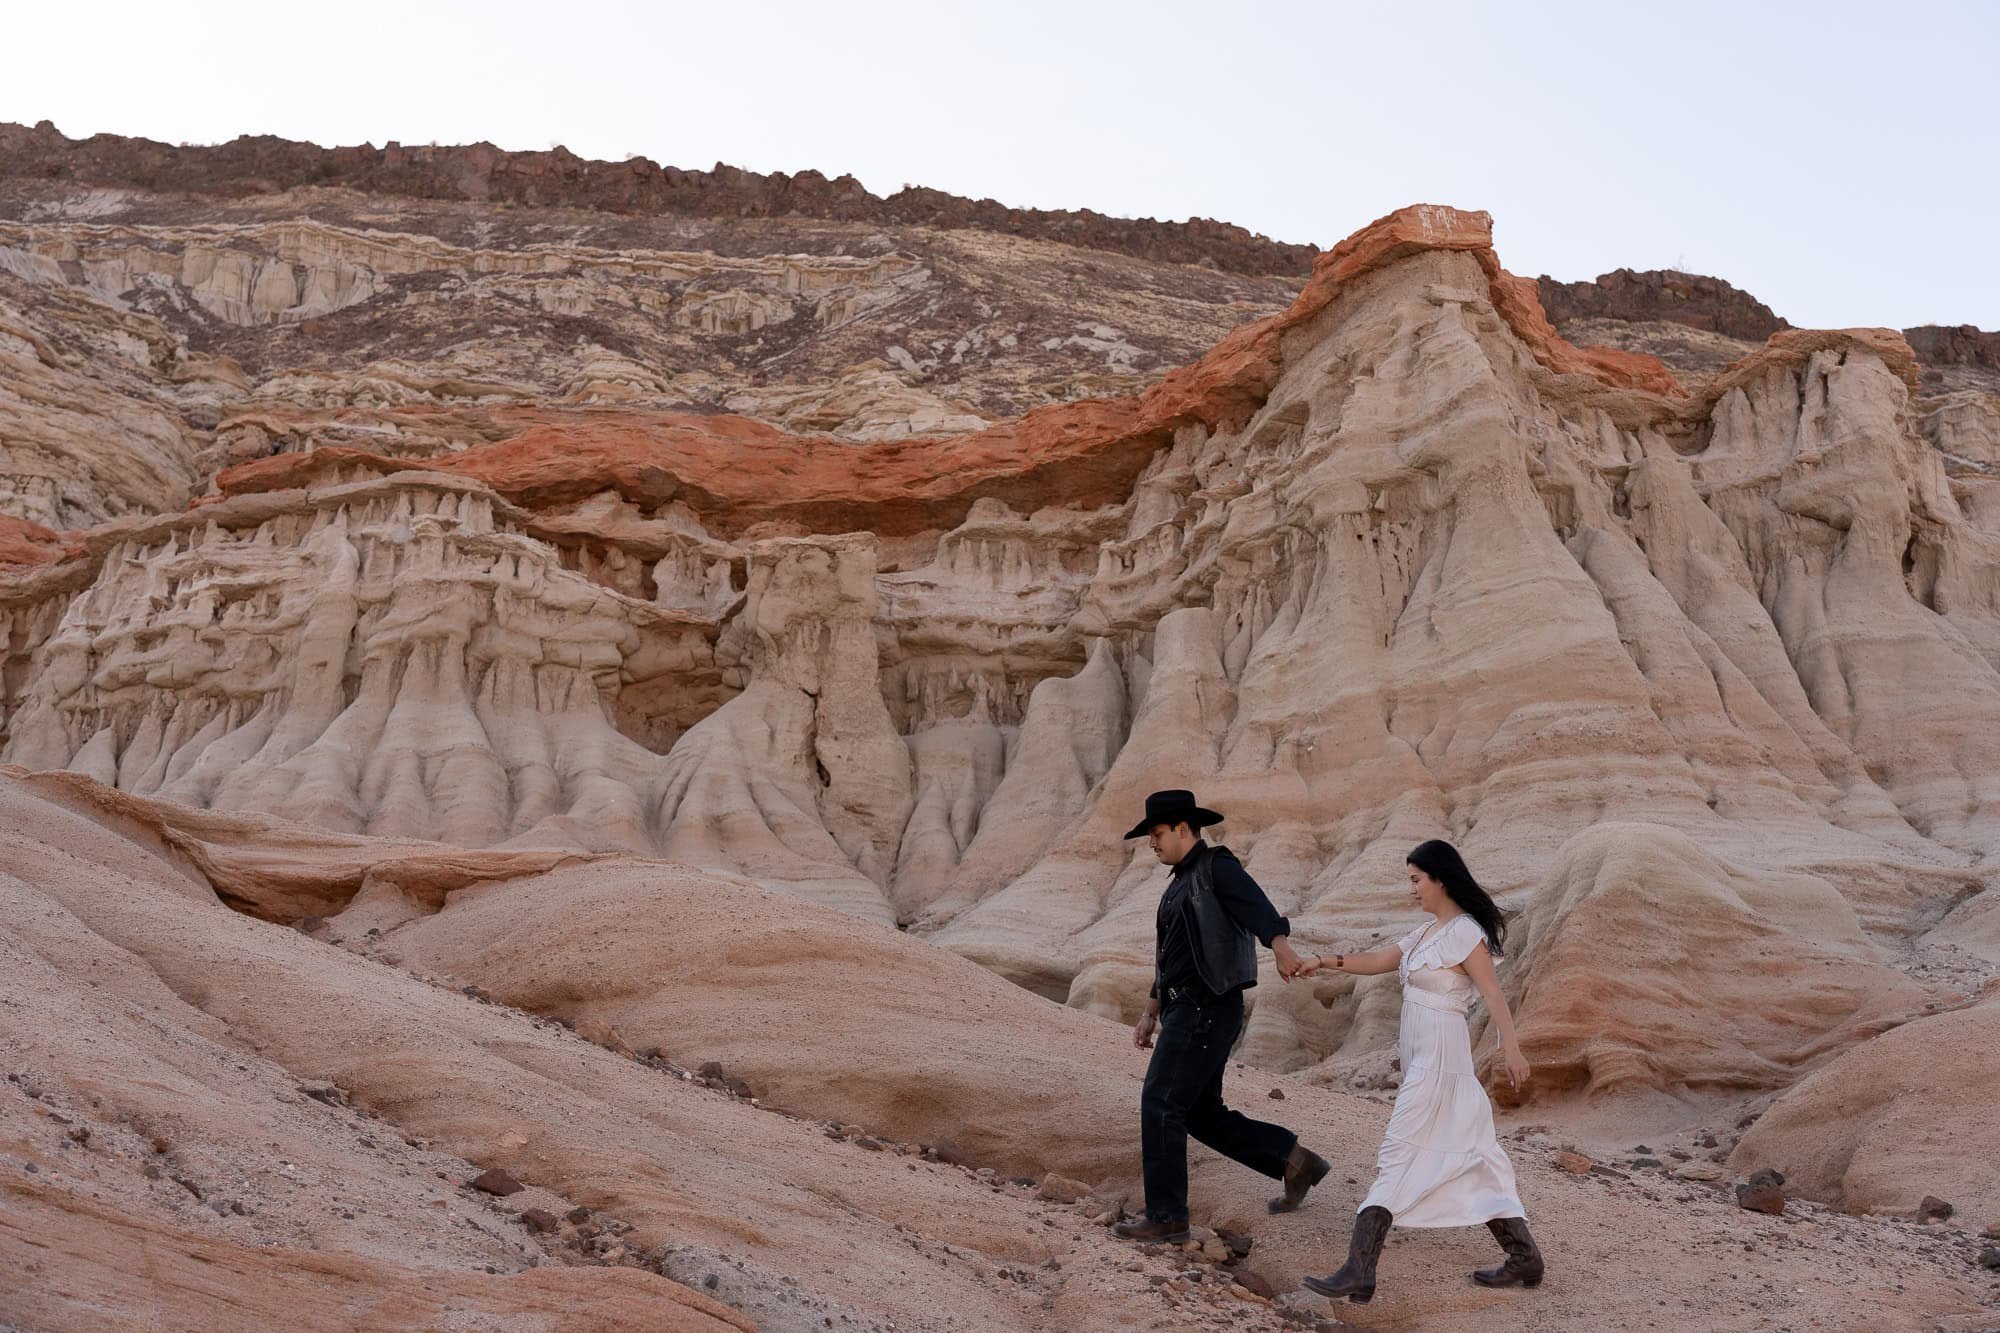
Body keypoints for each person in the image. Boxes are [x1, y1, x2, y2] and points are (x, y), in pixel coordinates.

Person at [1295, 839, 1543, 1304]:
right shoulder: (1425, 934)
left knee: (1398, 1151)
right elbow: (1376, 961)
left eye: (1416, 879)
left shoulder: (1465, 933)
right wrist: (1323, 961)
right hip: (1421, 1061)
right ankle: (1524, 1257)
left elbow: (1493, 995)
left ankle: (1359, 1269)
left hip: (1443, 1062)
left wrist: (1512, 1050)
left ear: (1440, 879)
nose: (1411, 888)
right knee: (1476, 1153)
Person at [1109, 789, 1332, 1244]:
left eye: (1157, 834)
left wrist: (1281, 945)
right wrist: (1151, 1011)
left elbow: (1257, 907)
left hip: (1206, 1005)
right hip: (1186, 1007)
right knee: (1199, 1112)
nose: (1152, 843)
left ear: (1185, 829)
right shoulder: (1178, 884)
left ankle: (1167, 1216)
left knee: (1161, 1102)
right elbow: (1170, 955)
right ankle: (1294, 1160)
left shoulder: (1216, 868)